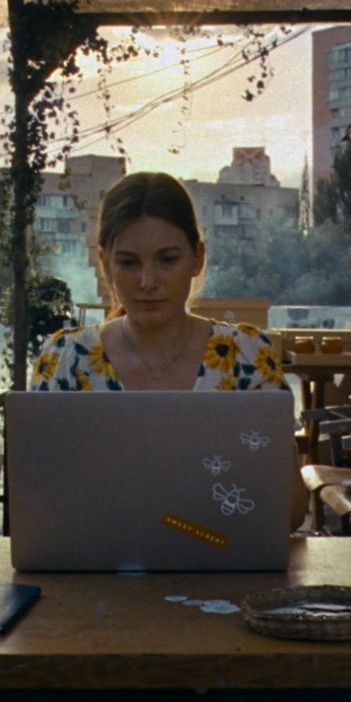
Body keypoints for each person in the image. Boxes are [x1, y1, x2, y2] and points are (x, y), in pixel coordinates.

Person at [30, 171, 306, 527]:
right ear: (104, 264)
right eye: (128, 263)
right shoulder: (64, 359)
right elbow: (38, 505)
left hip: (224, 572)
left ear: (197, 259)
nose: (147, 282)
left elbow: (291, 512)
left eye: (167, 259)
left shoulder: (248, 355)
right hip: (94, 576)